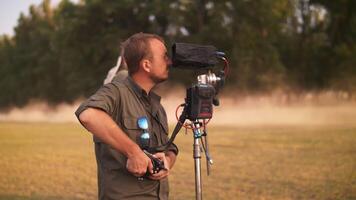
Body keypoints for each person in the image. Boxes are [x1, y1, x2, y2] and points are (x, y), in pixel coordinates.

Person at [75, 33, 178, 200]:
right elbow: (88, 114)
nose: (170, 62)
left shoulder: (157, 106)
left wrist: (167, 160)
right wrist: (133, 152)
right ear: (146, 64)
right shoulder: (117, 91)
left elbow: (169, 147)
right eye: (164, 56)